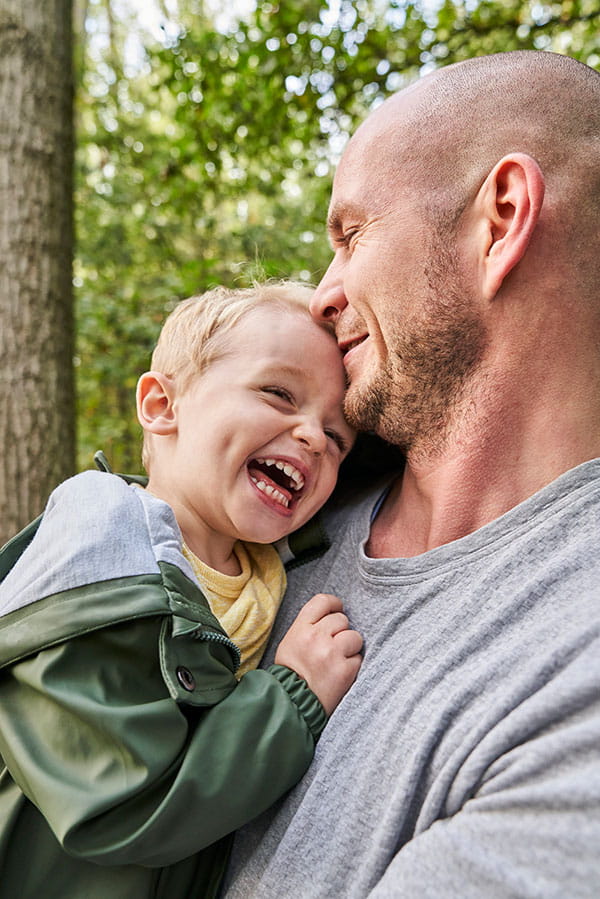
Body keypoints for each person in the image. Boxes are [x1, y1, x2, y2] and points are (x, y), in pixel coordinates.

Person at [224, 50, 600, 898]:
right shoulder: (270, 514)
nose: (322, 295)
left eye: (351, 233)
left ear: (502, 220)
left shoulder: (576, 657)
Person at [0, 281, 362, 899]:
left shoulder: (267, 571)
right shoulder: (101, 550)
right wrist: (292, 699)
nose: (311, 437)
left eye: (337, 438)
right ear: (162, 406)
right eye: (278, 393)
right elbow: (116, 804)